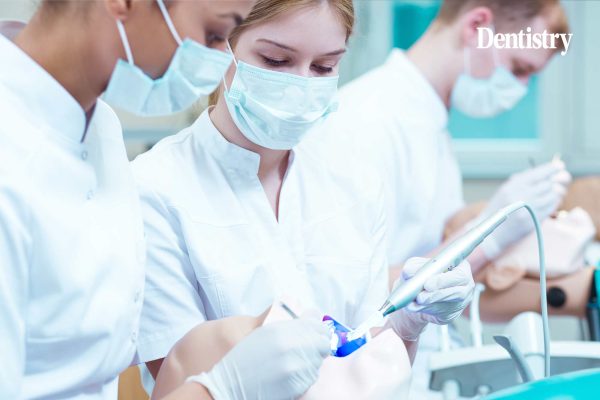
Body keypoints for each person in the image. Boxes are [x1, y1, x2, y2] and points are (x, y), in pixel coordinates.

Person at [131, 0, 475, 395]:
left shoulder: (356, 183)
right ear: (220, 45)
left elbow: (371, 369)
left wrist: (404, 326)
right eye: (276, 61)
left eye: (324, 67)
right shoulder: (155, 189)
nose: (301, 85)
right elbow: (175, 382)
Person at [0, 0, 335, 398]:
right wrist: (222, 388)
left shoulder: (99, 125)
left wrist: (228, 340)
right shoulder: (13, 155)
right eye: (214, 34)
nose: (218, 61)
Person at [312, 0, 572, 397]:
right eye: (519, 68)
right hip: (381, 376)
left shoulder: (429, 124)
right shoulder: (367, 122)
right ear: (478, 25)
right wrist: (489, 236)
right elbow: (350, 295)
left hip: (421, 368)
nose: (519, 89)